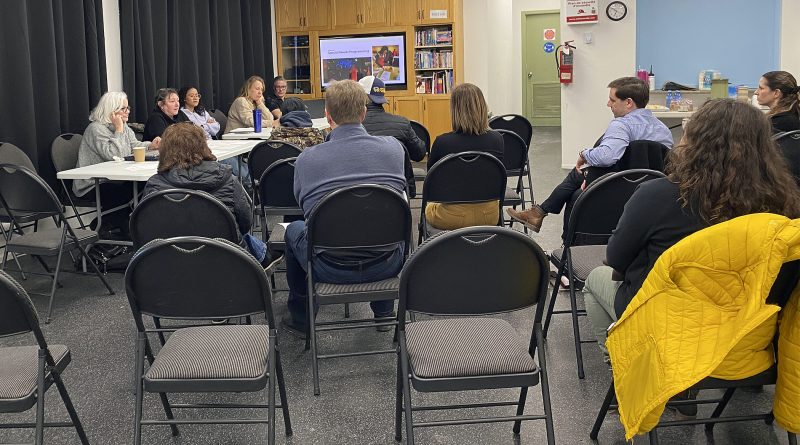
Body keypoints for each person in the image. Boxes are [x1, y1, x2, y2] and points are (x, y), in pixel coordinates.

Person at [582, 99, 800, 364]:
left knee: (595, 279)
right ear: (765, 148)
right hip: (746, 327)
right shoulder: (784, 202)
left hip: (667, 318)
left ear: (693, 141)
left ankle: (628, 372)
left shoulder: (658, 195)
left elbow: (616, 258)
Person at [282, 79, 406, 335]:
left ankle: (302, 320)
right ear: (363, 113)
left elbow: (305, 208)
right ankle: (384, 313)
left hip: (327, 266)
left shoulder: (307, 159)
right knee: (382, 221)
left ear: (327, 116)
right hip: (388, 263)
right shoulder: (394, 150)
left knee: (292, 230)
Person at [507, 77, 673, 236]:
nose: (608, 104)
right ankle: (539, 212)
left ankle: (540, 214)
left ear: (629, 102)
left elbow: (607, 156)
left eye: (612, 100)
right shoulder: (663, 129)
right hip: (653, 190)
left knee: (578, 173)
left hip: (617, 187)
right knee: (581, 173)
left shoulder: (622, 125)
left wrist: (584, 153)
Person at [141, 123, 272, 266]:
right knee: (247, 240)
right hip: (226, 263)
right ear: (203, 145)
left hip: (170, 265)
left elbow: (145, 227)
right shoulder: (227, 180)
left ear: (165, 150)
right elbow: (246, 222)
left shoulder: (154, 185)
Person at [74, 91, 161, 237]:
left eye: (128, 108)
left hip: (115, 178)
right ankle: (108, 225)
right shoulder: (95, 129)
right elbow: (114, 155)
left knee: (146, 186)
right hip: (91, 184)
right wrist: (119, 129)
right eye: (123, 108)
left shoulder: (123, 126)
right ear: (111, 110)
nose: (128, 111)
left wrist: (150, 145)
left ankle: (126, 227)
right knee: (122, 195)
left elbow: (134, 145)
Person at [424, 83, 504, 230]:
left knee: (429, 206)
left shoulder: (442, 142)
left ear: (455, 110)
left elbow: (430, 181)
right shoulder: (497, 139)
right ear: (482, 107)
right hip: (489, 216)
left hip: (450, 217)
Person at [358, 76, 426, 197]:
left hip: (358, 193)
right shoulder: (402, 124)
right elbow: (419, 154)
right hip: (396, 194)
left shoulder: (351, 128)